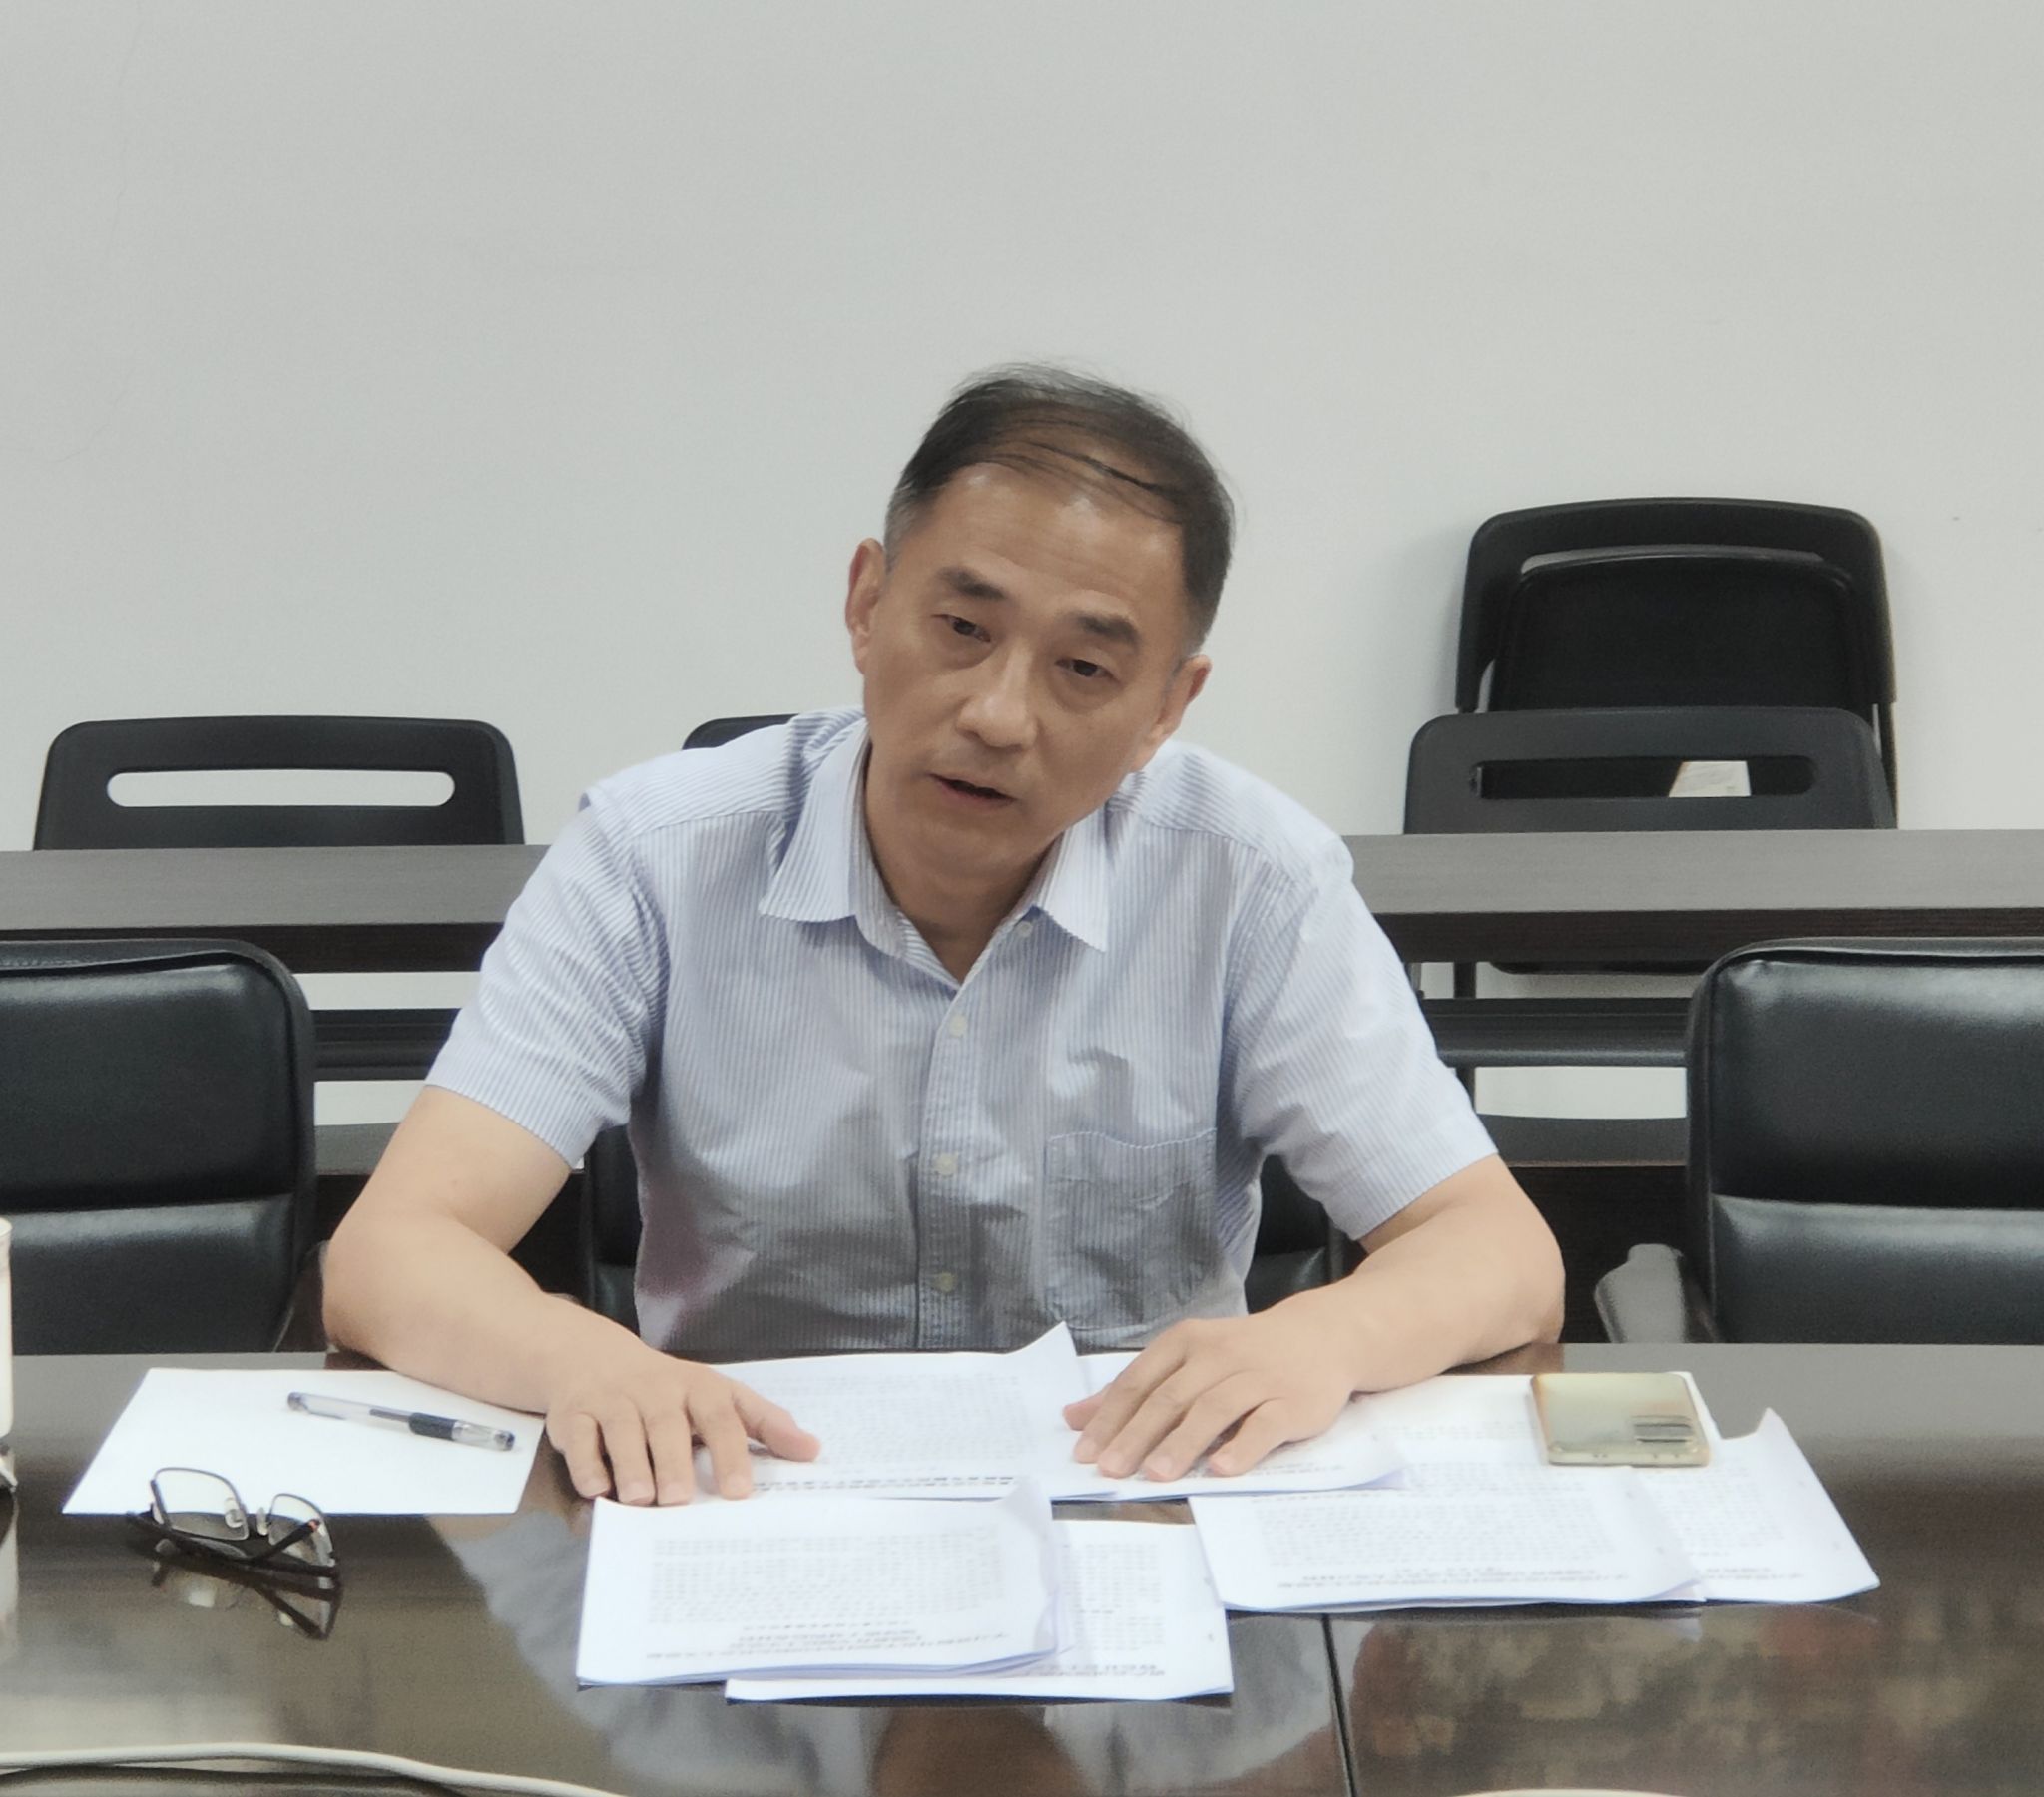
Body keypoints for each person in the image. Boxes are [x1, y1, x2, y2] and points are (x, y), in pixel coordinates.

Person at [324, 365, 1563, 1507]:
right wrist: (580, 1357)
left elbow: (1498, 1250)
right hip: (747, 1502)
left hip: (1133, 1510)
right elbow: (392, 1250)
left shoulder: (1250, 880)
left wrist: (1322, 1336)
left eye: (1083, 669)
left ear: (1164, 707)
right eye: (962, 629)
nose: (998, 715)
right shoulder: (653, 860)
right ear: (867, 605)